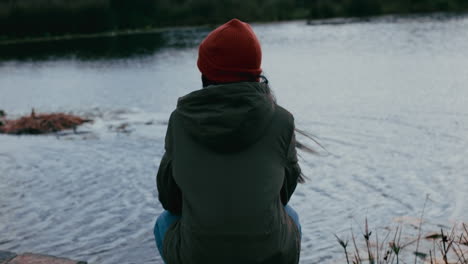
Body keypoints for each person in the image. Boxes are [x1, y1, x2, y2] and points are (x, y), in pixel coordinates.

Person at [154, 18, 304, 264]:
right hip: (269, 256)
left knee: (164, 222)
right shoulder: (282, 120)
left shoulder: (179, 121)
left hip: (199, 257)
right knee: (291, 216)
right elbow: (283, 194)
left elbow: (169, 198)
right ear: (256, 71)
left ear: (206, 73)